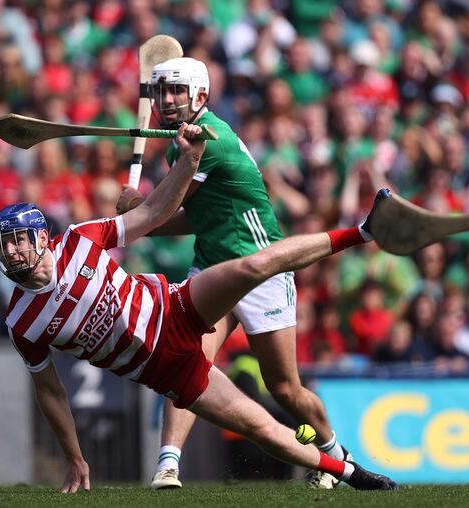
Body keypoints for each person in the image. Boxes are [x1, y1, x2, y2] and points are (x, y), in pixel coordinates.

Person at [0, 122, 397, 493]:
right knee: (260, 427)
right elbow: (50, 392)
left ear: (40, 236)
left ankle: (363, 231)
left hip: (175, 307)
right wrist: (74, 457)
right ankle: (349, 473)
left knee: (255, 264)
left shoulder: (79, 239)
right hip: (167, 369)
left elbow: (151, 213)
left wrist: (190, 158)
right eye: (3, 245)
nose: (12, 250)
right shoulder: (22, 321)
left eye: (18, 239)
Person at [116, 56, 353, 490]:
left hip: (259, 268)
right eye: (162, 92)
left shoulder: (211, 140)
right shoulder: (181, 143)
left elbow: (161, 211)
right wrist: (142, 219)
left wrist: (137, 212)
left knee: (284, 389)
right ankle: (168, 465)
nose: (167, 101)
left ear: (200, 96)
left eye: (177, 92)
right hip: (212, 263)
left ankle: (335, 455)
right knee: (186, 363)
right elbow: (191, 216)